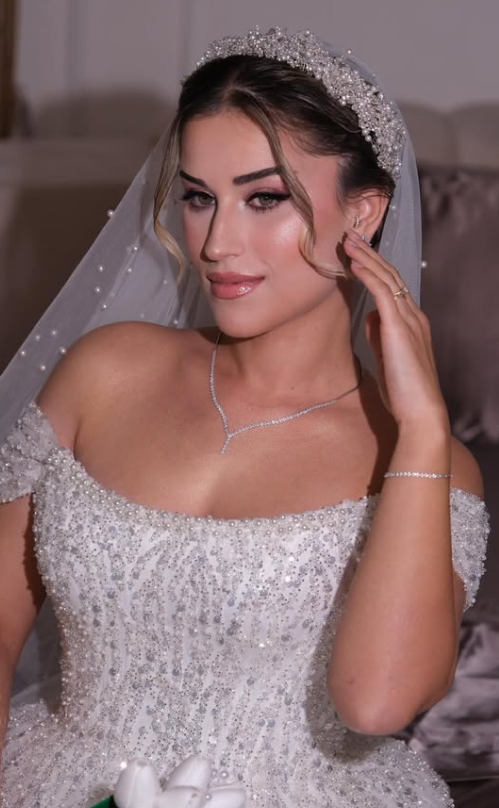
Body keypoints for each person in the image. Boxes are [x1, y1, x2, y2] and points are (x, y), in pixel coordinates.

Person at [0, 26, 490, 808]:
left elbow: (376, 705)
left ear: (361, 213)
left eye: (265, 198)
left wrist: (423, 431)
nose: (217, 243)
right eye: (199, 197)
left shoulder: (425, 462)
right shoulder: (104, 373)